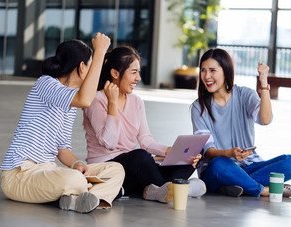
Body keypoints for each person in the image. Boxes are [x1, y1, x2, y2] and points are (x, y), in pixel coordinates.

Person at [0, 33, 125, 213]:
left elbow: (62, 149)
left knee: (115, 169)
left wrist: (78, 165)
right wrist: (100, 52)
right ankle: (87, 193)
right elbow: (85, 100)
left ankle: (83, 199)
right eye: (91, 65)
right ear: (82, 67)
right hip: (20, 174)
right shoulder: (45, 83)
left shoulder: (70, 103)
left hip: (49, 170)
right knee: (74, 180)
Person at [83, 46, 206, 203]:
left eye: (138, 72)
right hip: (108, 168)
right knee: (141, 157)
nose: (138, 78)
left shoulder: (136, 101)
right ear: (115, 73)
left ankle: (156, 190)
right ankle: (180, 189)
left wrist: (171, 152)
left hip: (133, 168)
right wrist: (112, 103)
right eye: (134, 72)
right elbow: (110, 143)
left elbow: (146, 140)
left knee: (190, 158)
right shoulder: (97, 100)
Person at [191, 48, 291, 197]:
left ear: (226, 71)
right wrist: (230, 153)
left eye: (212, 70)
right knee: (219, 164)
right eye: (203, 70)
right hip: (218, 170)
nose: (206, 76)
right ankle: (262, 190)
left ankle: (235, 185)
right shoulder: (199, 107)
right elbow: (209, 152)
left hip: (250, 166)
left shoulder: (245, 95)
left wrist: (264, 82)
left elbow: (265, 119)